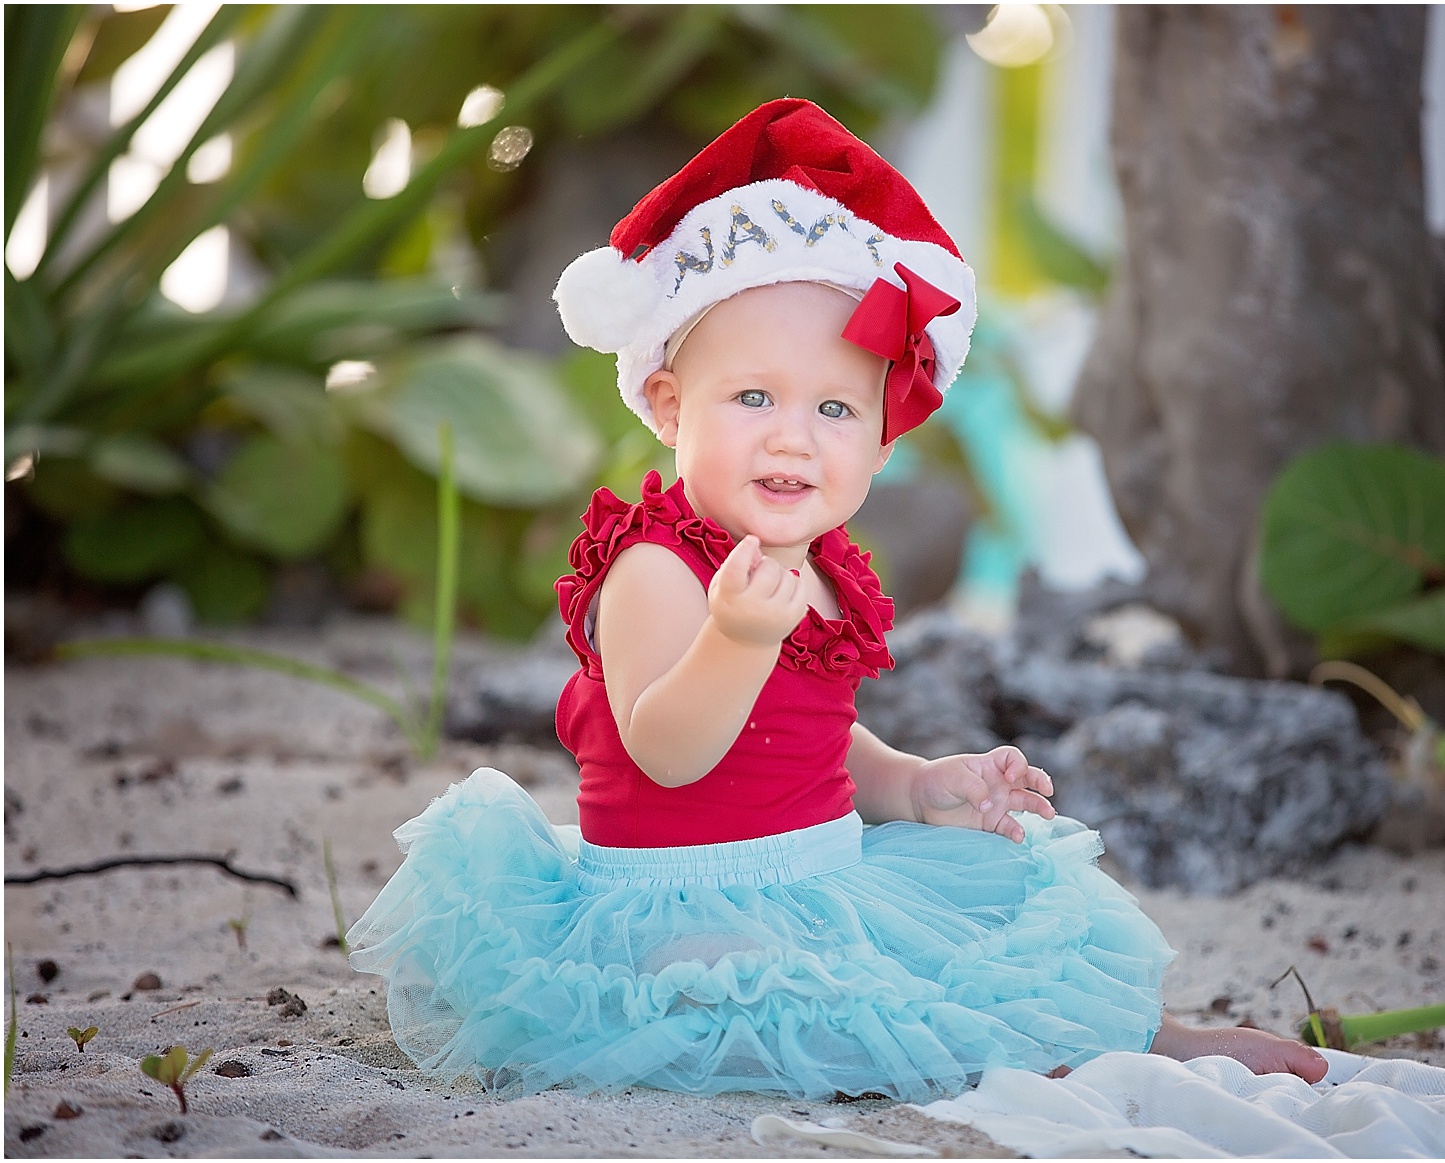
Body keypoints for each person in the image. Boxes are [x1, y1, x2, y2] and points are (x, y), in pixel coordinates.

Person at [348, 98, 1327, 1101]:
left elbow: (813, 738)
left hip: (818, 870)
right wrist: (733, 636)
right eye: (752, 397)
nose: (792, 437)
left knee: (1000, 894)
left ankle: (1150, 1032)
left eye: (833, 408)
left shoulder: (820, 566)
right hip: (680, 896)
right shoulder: (656, 564)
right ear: (669, 405)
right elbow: (666, 748)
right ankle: (1025, 1056)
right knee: (771, 985)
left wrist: (912, 784)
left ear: (881, 441)